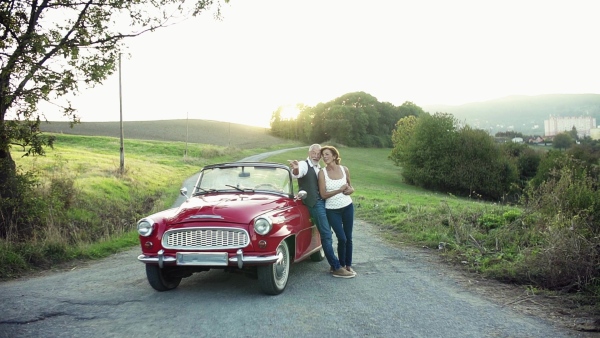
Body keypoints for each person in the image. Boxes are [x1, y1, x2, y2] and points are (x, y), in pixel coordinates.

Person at [288, 144, 355, 278]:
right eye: (314, 152)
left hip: (327, 203)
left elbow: (348, 185)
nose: (317, 155)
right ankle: (336, 266)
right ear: (309, 152)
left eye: (319, 153)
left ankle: (341, 264)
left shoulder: (319, 168)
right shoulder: (304, 164)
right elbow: (298, 172)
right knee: (326, 234)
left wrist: (350, 189)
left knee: (328, 233)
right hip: (316, 203)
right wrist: (295, 170)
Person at [318, 145, 356, 275]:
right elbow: (323, 195)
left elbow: (350, 187)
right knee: (342, 238)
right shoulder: (322, 173)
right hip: (332, 210)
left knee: (349, 237)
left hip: (347, 207)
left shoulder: (344, 169)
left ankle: (347, 265)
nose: (325, 157)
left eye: (327, 154)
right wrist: (339, 190)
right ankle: (339, 266)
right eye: (323, 155)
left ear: (334, 156)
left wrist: (352, 190)